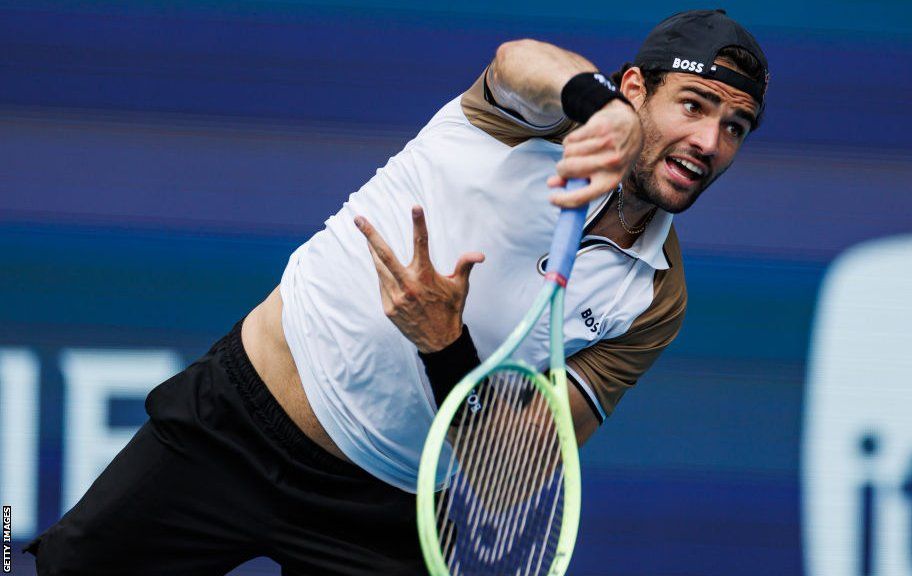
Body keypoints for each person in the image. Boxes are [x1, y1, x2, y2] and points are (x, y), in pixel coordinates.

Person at [27, 9, 768, 576]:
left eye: (735, 126)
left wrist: (445, 346)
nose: (710, 142)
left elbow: (509, 473)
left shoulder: (654, 297)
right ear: (635, 88)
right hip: (235, 429)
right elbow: (518, 62)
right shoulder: (519, 124)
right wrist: (589, 98)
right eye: (694, 105)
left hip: (387, 516)